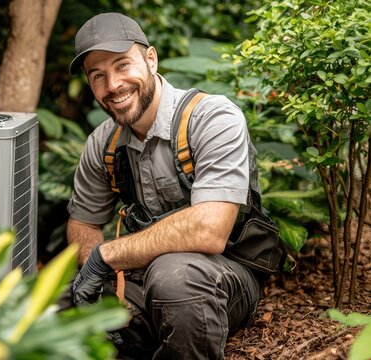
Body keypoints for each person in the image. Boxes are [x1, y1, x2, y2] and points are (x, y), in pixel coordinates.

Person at [65, 12, 283, 359]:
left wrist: (106, 255)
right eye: (98, 76)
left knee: (174, 278)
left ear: (151, 59)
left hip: (223, 275)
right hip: (142, 280)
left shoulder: (212, 118)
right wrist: (95, 281)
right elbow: (83, 224)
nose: (113, 85)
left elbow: (209, 231)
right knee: (54, 299)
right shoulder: (102, 143)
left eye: (122, 65)